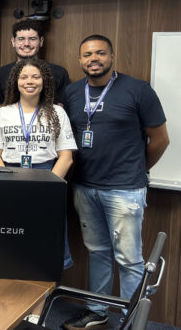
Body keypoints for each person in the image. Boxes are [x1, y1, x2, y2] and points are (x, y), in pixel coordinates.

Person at [60, 35, 169, 330]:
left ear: (111, 56)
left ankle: (131, 320)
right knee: (98, 252)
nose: (93, 59)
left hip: (124, 190)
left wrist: (137, 170)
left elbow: (160, 139)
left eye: (100, 53)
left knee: (129, 259)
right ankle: (97, 311)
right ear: (80, 60)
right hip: (85, 186)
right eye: (87, 54)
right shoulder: (73, 92)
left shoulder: (138, 89)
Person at [0, 58, 76, 270]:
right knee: (12, 243)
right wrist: (7, 184)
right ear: (15, 82)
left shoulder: (57, 113)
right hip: (10, 177)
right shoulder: (4, 113)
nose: (30, 81)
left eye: (36, 77)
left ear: (44, 81)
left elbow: (66, 157)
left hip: (47, 177)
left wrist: (46, 187)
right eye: (24, 77)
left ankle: (48, 289)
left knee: (47, 244)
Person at [0, 19, 71, 104]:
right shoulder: (1, 73)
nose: (26, 43)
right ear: (13, 42)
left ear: (41, 41)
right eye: (21, 39)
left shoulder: (59, 73)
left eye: (32, 39)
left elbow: (62, 107)